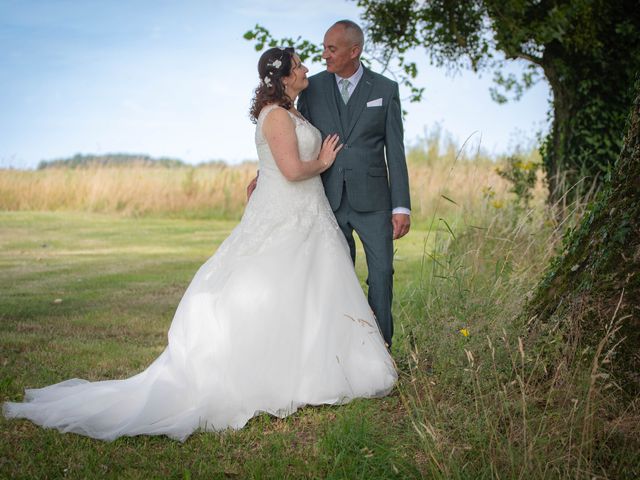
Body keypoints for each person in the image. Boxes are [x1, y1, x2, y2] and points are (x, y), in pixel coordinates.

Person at [3, 47, 397, 442]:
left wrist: (267, 174)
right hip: (289, 211)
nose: (306, 68)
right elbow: (294, 170)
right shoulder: (277, 115)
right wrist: (324, 161)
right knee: (280, 287)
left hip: (305, 213)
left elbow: (277, 163)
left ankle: (319, 370)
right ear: (283, 78)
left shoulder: (293, 110)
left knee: (309, 290)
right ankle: (271, 375)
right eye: (298, 66)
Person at [248, 20, 411, 349]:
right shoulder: (314, 87)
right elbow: (287, 137)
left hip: (375, 200)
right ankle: (342, 348)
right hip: (326, 197)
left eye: (331, 49)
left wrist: (401, 205)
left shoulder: (385, 89)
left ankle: (380, 348)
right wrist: (263, 174)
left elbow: (395, 150)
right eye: (323, 48)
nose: (324, 55)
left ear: (355, 51)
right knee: (337, 276)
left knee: (382, 275)